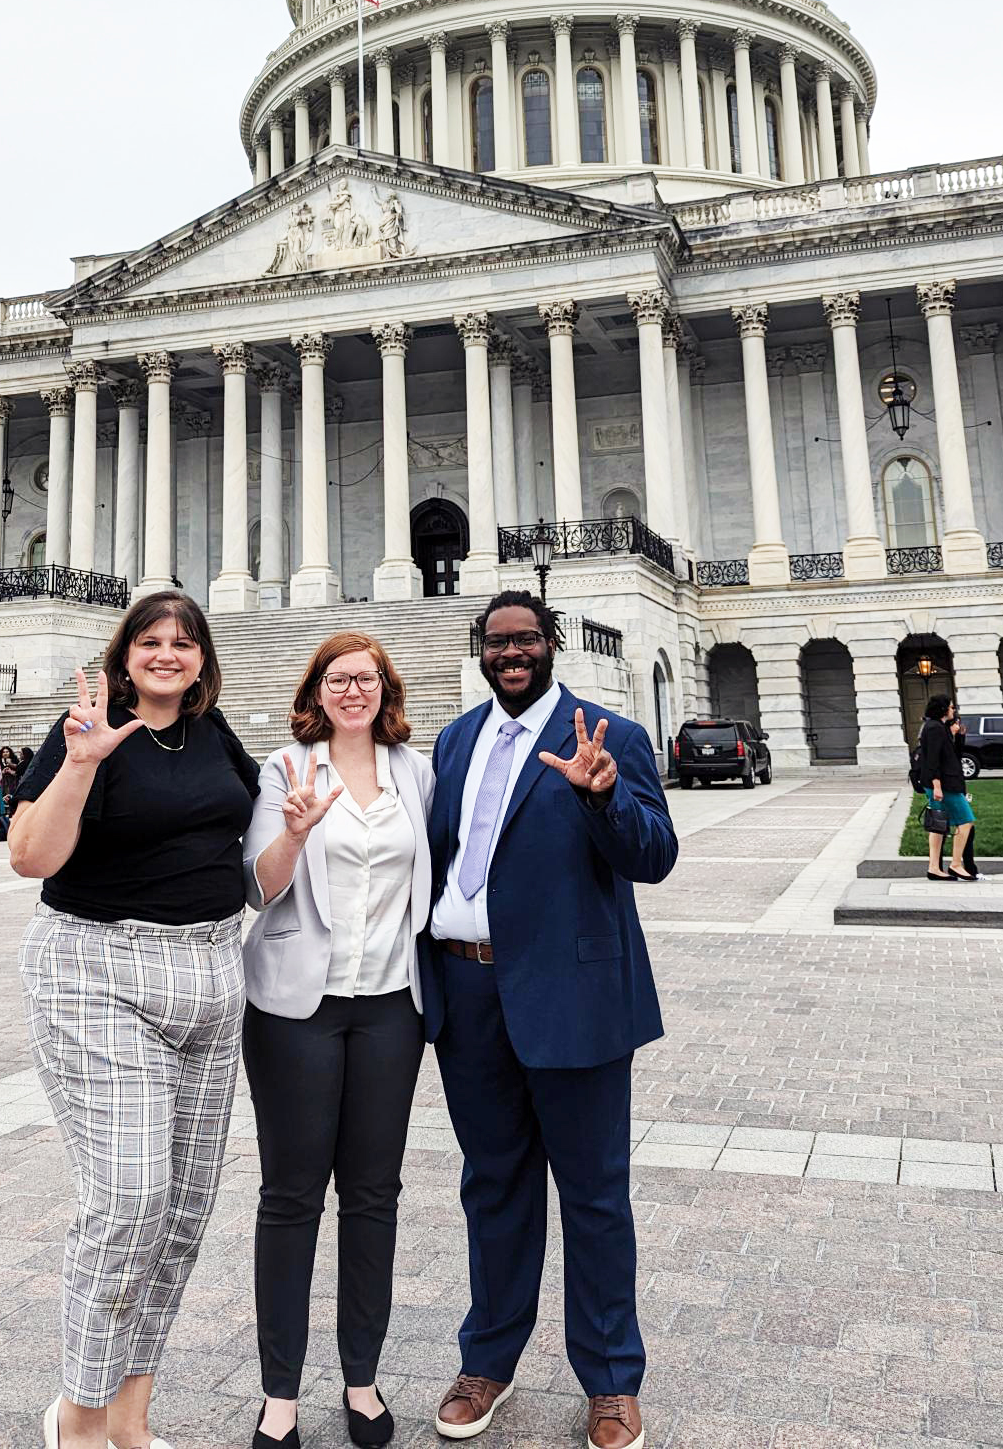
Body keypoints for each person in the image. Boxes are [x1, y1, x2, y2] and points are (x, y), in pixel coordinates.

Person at [423, 592, 677, 1449]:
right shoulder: (456, 740)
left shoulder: (608, 735)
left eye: (527, 639)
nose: (512, 654)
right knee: (492, 1187)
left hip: (574, 997)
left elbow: (655, 856)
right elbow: (438, 857)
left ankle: (610, 1380)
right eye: (497, 642)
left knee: (595, 1197)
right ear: (482, 651)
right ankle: (487, 1363)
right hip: (470, 996)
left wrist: (605, 798)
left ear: (553, 644)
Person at [9, 594, 259, 1449]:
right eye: (151, 640)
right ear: (124, 654)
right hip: (98, 969)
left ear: (201, 659)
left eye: (183, 643)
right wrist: (80, 763)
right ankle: (76, 1416)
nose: (167, 654)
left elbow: (251, 853)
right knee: (129, 1197)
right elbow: (30, 857)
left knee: (183, 1209)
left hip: (211, 974)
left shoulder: (216, 733)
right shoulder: (86, 730)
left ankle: (131, 1420)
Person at [241, 631, 435, 1449]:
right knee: (290, 1199)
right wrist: (292, 831)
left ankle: (362, 1380)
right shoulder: (283, 768)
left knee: (373, 1196)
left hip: (391, 1006)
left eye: (365, 679)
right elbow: (257, 887)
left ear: (384, 690)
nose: (351, 691)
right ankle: (278, 1394)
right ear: (315, 690)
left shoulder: (416, 773)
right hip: (298, 1008)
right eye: (336, 679)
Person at [916, 696, 976, 881]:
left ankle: (934, 867)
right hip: (944, 784)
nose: (953, 710)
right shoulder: (934, 728)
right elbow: (933, 759)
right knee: (966, 821)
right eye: (951, 707)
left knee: (938, 825)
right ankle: (956, 864)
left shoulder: (939, 727)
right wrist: (937, 785)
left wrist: (957, 736)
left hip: (943, 783)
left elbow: (952, 756)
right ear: (943, 709)